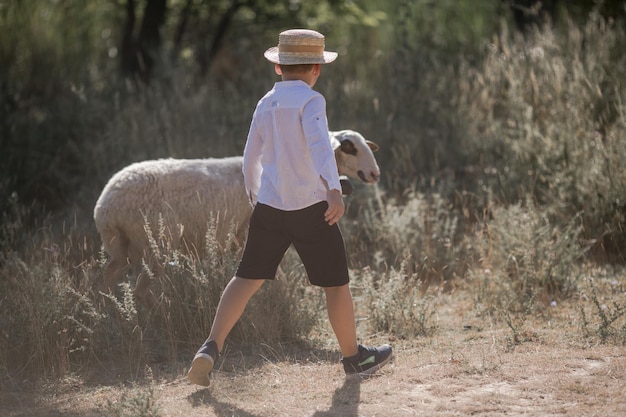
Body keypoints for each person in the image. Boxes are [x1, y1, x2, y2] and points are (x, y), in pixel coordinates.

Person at [187, 29, 392, 387]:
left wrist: (256, 198)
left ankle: (209, 347)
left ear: (279, 68)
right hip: (312, 209)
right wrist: (334, 191)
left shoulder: (265, 103)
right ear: (317, 69)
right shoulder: (312, 102)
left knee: (245, 279)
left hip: (269, 208)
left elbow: (250, 158)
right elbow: (319, 147)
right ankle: (354, 358)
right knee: (336, 284)